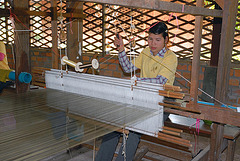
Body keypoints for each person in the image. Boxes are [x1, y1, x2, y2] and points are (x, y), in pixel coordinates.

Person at [95, 21, 178, 161]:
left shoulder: (171, 58)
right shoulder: (146, 52)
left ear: (166, 40)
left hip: (163, 101)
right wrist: (121, 49)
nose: (153, 43)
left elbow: (160, 81)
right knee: (115, 123)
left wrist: (138, 81)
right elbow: (128, 69)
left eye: (158, 40)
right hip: (142, 97)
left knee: (133, 130)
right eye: (150, 39)